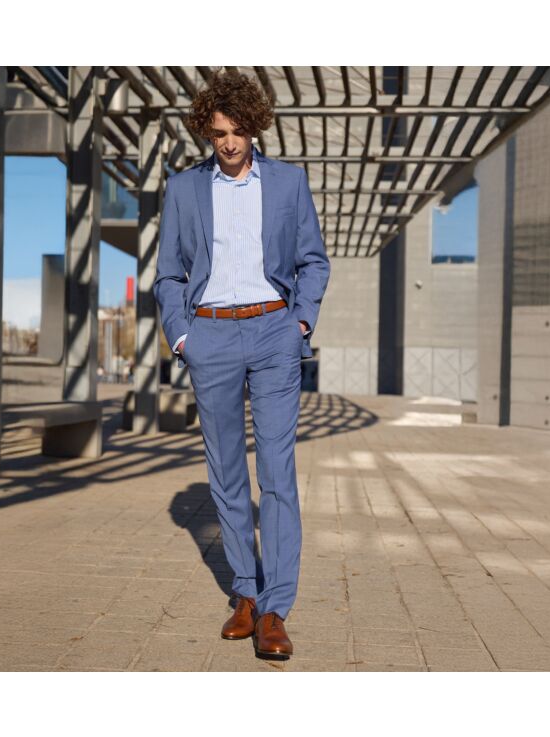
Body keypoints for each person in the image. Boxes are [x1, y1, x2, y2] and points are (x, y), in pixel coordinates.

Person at [154, 70, 330, 658]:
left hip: (273, 331)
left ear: (254, 127)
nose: (228, 143)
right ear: (206, 132)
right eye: (218, 133)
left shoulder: (287, 182)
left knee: (276, 473)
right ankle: (246, 594)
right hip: (211, 336)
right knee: (226, 472)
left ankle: (276, 609)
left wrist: (299, 322)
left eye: (237, 131)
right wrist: (184, 338)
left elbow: (313, 259)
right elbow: (169, 274)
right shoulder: (184, 188)